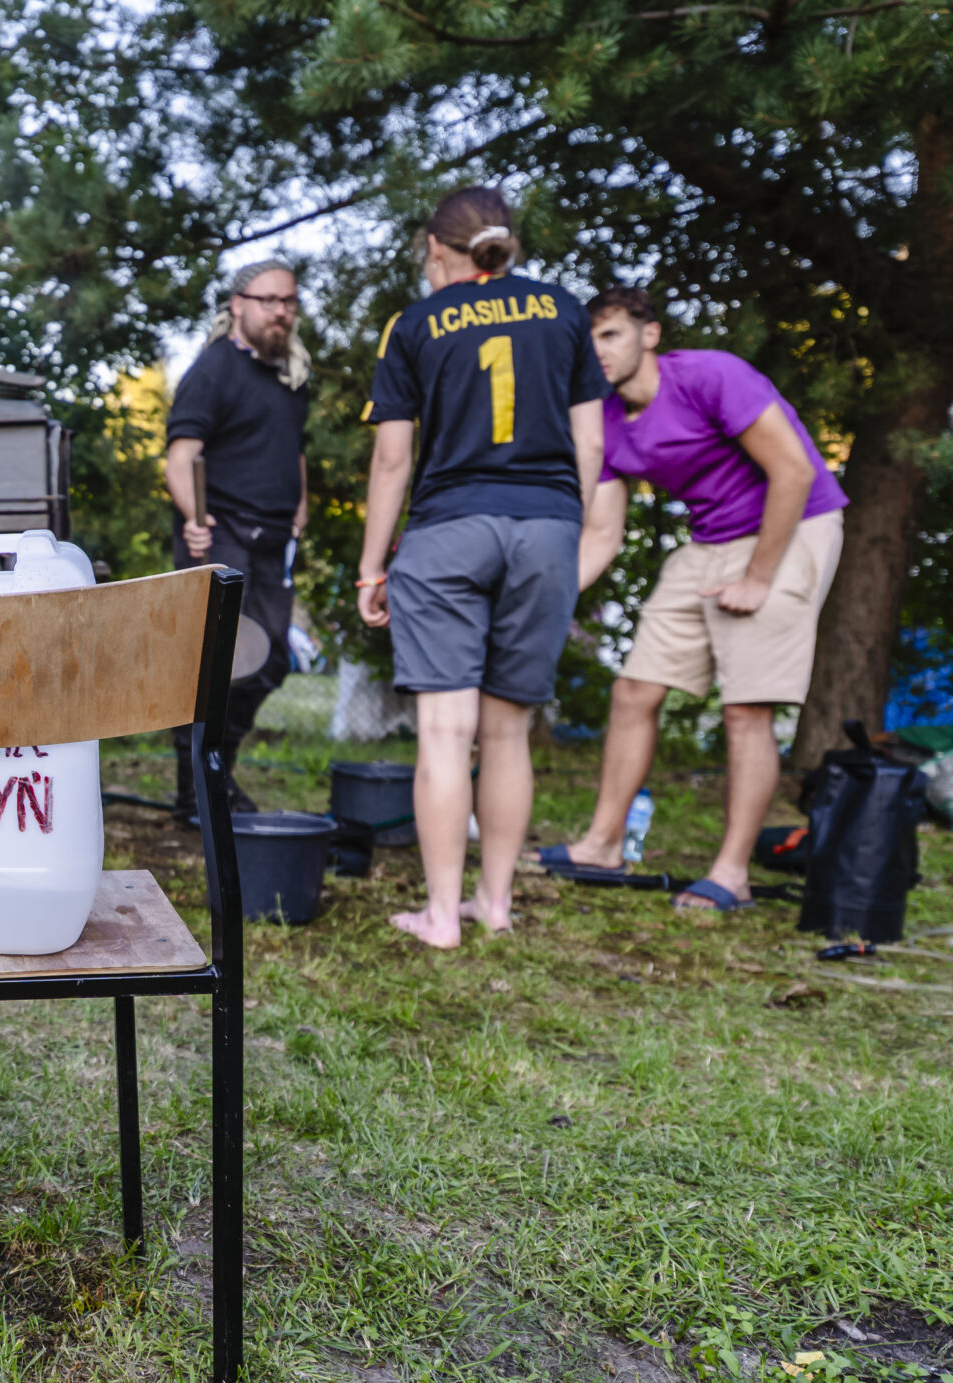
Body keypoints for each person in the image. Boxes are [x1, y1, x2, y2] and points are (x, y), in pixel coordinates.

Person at [355, 186, 610, 948]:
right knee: (508, 732)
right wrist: (563, 526)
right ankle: (494, 904)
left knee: (444, 730)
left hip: (449, 530)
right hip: (546, 527)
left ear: (436, 248)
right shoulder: (563, 310)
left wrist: (372, 568)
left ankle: (441, 915)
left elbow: (393, 459)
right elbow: (592, 444)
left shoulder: (414, 323)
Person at [543, 286, 850, 911]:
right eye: (586, 340)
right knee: (634, 690)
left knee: (745, 709)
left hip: (792, 527)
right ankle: (602, 843)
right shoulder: (603, 419)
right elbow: (601, 535)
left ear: (649, 334)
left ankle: (730, 874)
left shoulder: (710, 376)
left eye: (610, 334)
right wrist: (543, 601)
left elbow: (794, 471)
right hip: (710, 540)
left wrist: (759, 578)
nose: (597, 351)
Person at [163, 258, 312, 823]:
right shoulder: (214, 369)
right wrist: (194, 517)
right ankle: (198, 795)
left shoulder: (291, 376)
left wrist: (299, 511)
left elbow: (294, 451)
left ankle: (215, 774)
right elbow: (182, 457)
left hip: (275, 541)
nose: (280, 311)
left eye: (288, 301)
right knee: (219, 666)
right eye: (268, 300)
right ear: (238, 304)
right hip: (222, 534)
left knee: (271, 662)